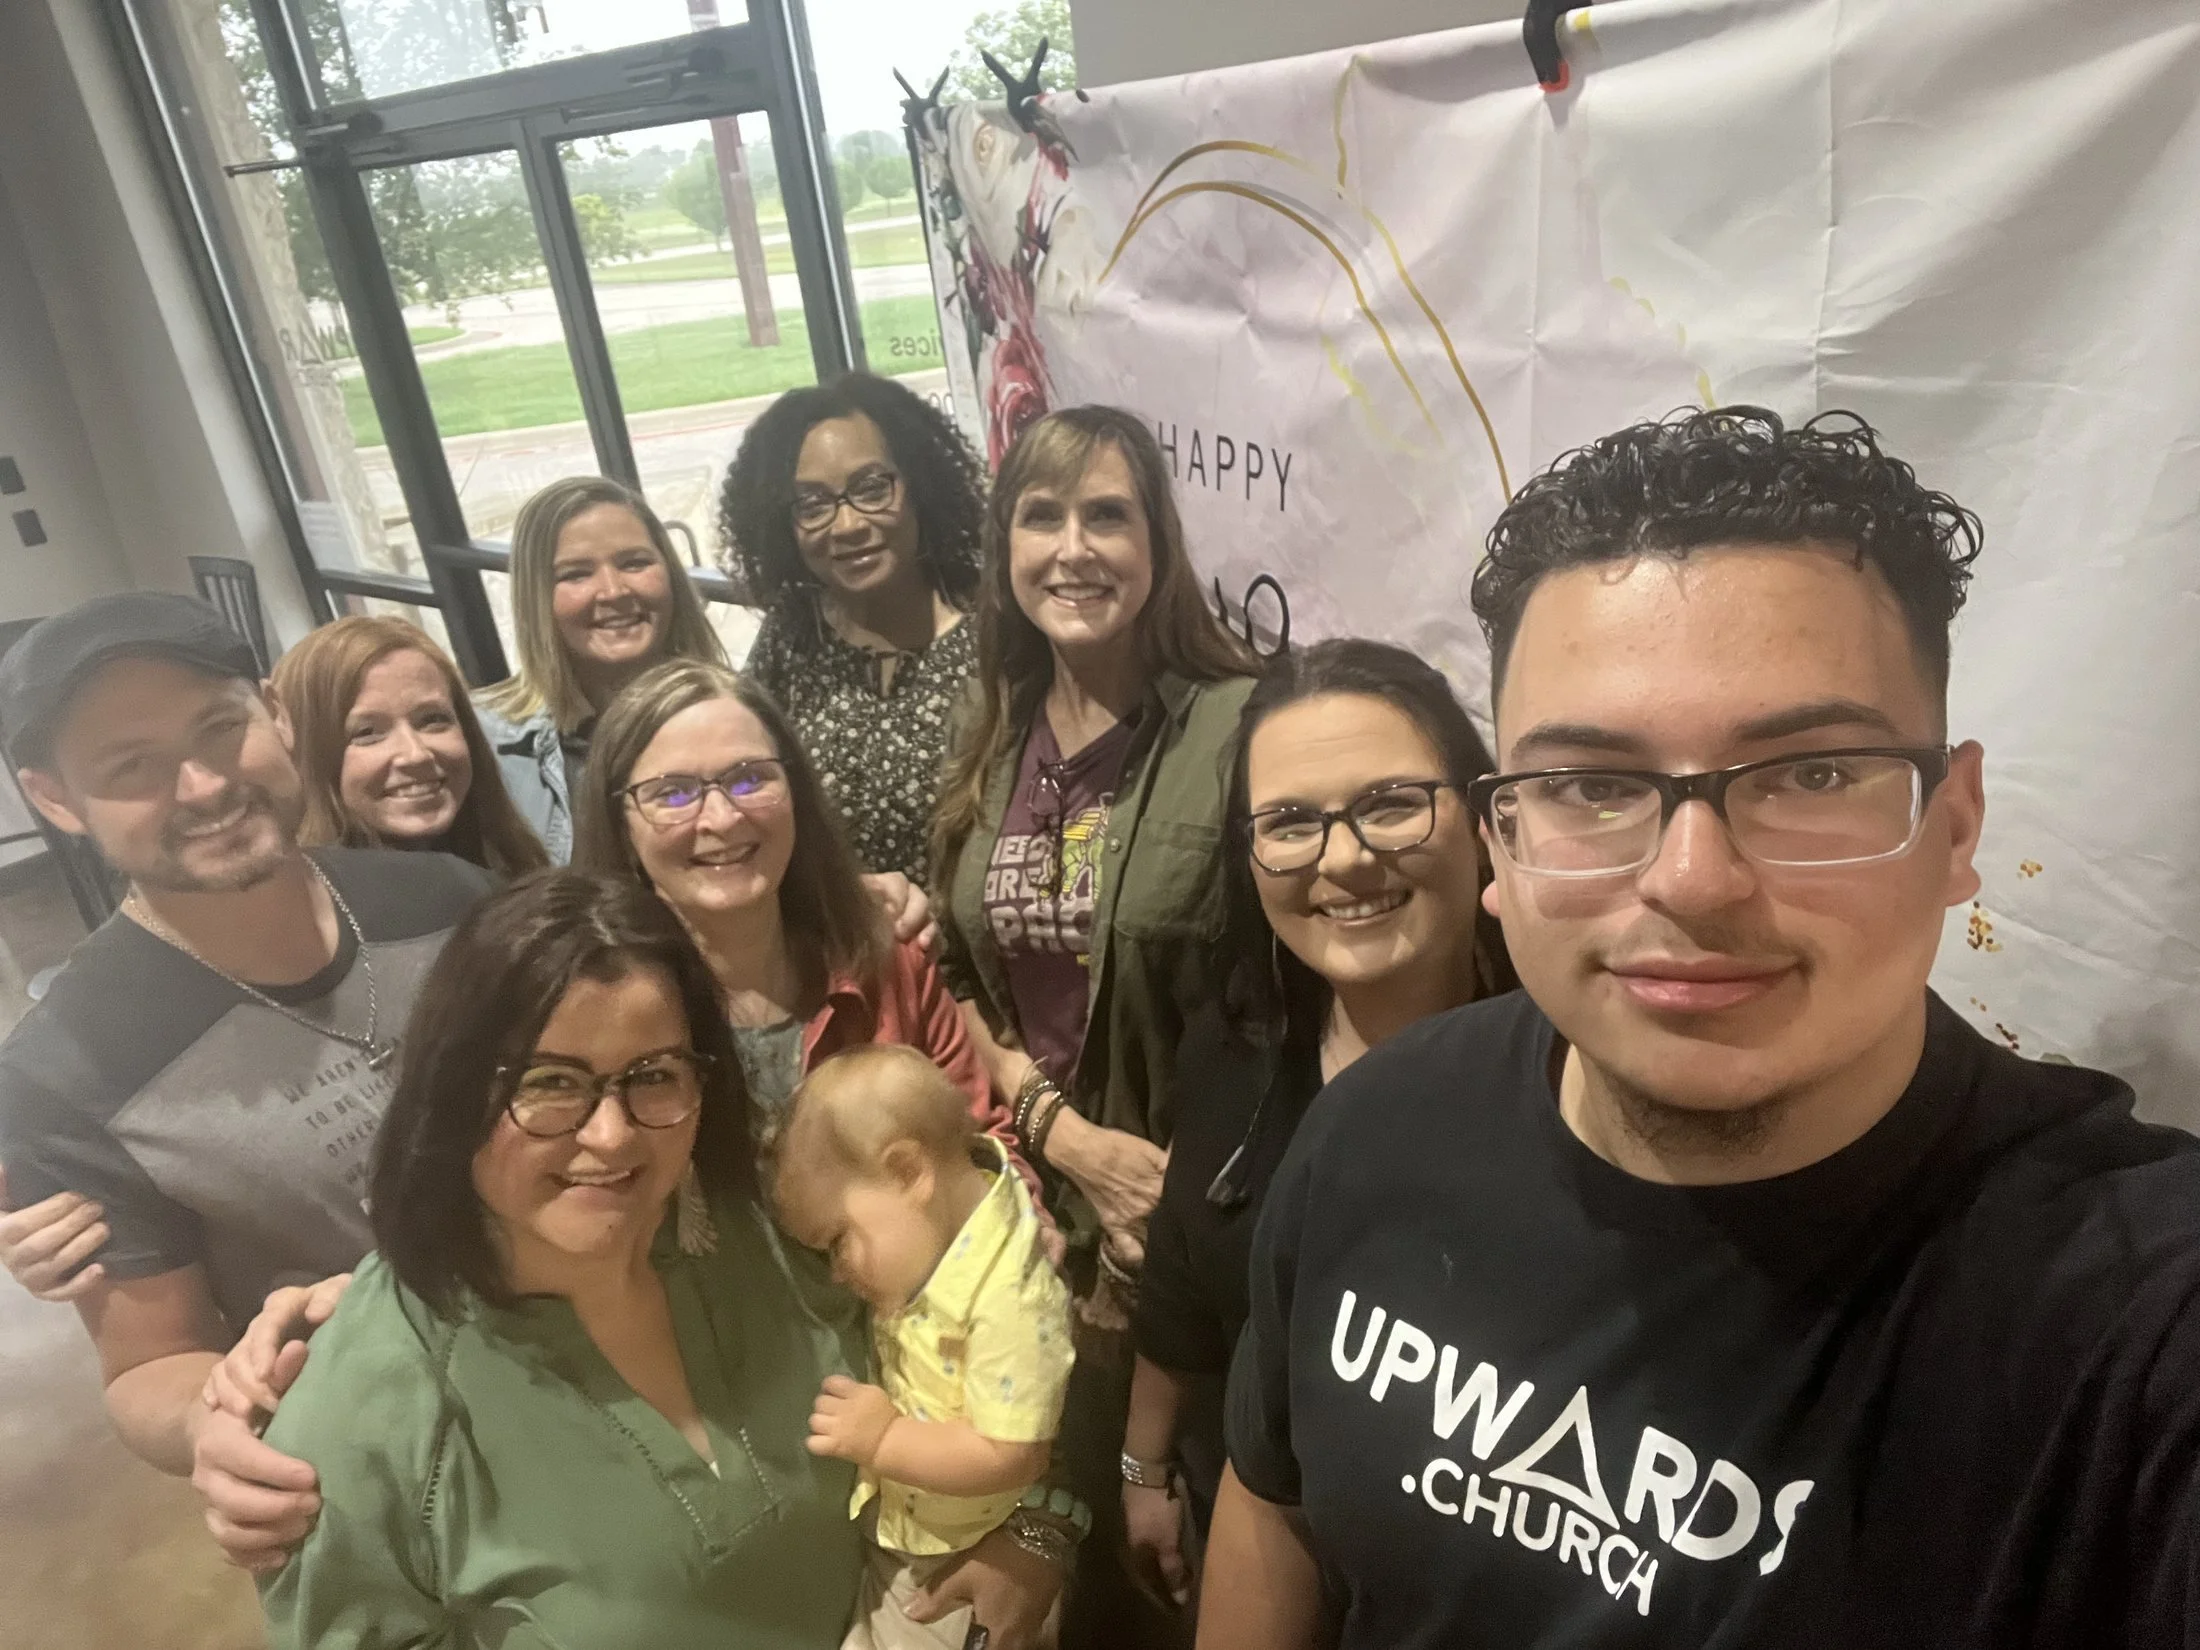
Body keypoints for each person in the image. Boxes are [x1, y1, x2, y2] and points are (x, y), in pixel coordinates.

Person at [1202, 408, 2200, 1649]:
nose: (1692, 880)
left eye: (1811, 775)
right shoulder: (1372, 1132)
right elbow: (1274, 1503)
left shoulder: (2124, 1323)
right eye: (1590, 787)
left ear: (1954, 825)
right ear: (1501, 840)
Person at [254, 869, 872, 1648]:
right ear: (453, 1092)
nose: (610, 1136)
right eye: (549, 1083)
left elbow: (966, 1338)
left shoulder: (778, 1229)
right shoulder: (369, 1407)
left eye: (652, 1076)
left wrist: (1032, 1528)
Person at [0, 592, 489, 1480]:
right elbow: (150, 1364)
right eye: (131, 764)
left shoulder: (451, 904)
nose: (204, 786)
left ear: (276, 712)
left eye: (220, 727)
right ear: (55, 799)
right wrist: (210, 1426)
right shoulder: (64, 1075)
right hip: (388, 1477)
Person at [929, 404, 1261, 1643]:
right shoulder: (992, 736)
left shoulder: (1241, 727)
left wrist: (1174, 1203)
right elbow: (955, 986)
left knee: (1214, 1571)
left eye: (1107, 515)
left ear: (1159, 543)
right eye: (1042, 516)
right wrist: (1061, 1133)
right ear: (1006, 552)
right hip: (1038, 1235)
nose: (1073, 548)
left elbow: (1285, 1001)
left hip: (1202, 1245)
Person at [1121, 639, 1513, 1611]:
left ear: (1481, 815)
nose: (1342, 859)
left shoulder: (1582, 1081)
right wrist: (1141, 1469)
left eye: (1388, 803)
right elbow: (1179, 1270)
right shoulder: (1238, 1042)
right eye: (1290, 823)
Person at [572, 658, 1019, 1174]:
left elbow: (985, 1150)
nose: (721, 818)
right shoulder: (592, 1015)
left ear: (796, 794)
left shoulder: (886, 961)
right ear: (620, 826)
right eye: (672, 793)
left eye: (748, 779)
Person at [777, 1044, 1075, 1650]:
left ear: (909, 1173)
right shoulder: (930, 1252)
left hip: (966, 1559)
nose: (837, 1272)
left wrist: (886, 1439)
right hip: (920, 1537)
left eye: (839, 1239)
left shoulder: (1009, 1297)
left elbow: (1011, 1451)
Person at [721, 373, 985, 883]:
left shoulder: (996, 630)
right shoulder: (792, 635)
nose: (847, 526)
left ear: (919, 487)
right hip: (845, 947)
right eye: (813, 505)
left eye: (870, 488)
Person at [475, 475, 727, 862]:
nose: (614, 591)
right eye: (576, 574)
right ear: (537, 595)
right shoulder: (486, 746)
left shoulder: (733, 717)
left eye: (635, 563)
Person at [270, 613, 548, 879]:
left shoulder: (518, 871)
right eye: (367, 732)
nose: (416, 754)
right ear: (307, 758)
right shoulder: (307, 920)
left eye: (433, 719)